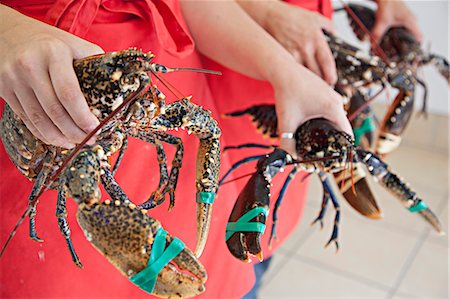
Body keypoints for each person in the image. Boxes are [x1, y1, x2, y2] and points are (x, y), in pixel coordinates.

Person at [0, 1, 352, 298]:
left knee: (208, 267)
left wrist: (287, 73)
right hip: (32, 97)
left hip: (144, 75)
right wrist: (7, 30)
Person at [197, 0, 422, 298]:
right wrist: (270, 14)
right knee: (221, 226)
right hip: (234, 37)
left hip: (307, 36)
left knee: (272, 214)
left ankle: (259, 262)